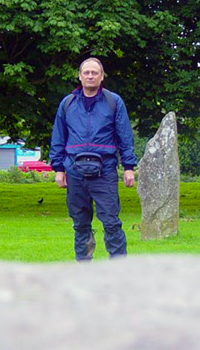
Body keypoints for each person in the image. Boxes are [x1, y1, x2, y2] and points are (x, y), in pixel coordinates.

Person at [49, 58, 137, 261]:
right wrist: (58, 169)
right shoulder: (68, 103)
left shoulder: (113, 102)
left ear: (102, 76)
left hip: (104, 171)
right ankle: (84, 266)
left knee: (111, 222)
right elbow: (58, 137)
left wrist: (128, 167)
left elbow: (125, 136)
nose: (90, 76)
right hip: (73, 171)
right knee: (80, 224)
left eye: (94, 73)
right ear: (79, 76)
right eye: (86, 72)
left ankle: (119, 268)